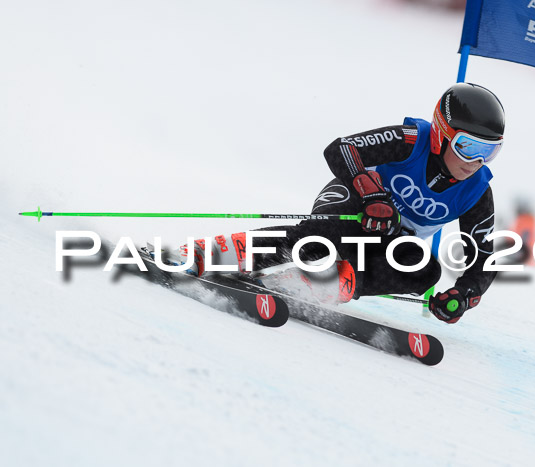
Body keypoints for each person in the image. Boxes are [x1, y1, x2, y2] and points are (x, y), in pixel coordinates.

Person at [176, 83, 504, 324]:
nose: (474, 161)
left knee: (425, 270)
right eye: (467, 146)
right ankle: (213, 254)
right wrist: (372, 194)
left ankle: (314, 286)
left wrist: (462, 295)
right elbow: (341, 149)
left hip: (388, 241)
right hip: (353, 205)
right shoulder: (410, 141)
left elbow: (484, 256)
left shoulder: (475, 190)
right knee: (325, 240)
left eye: (488, 151)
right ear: (441, 134)